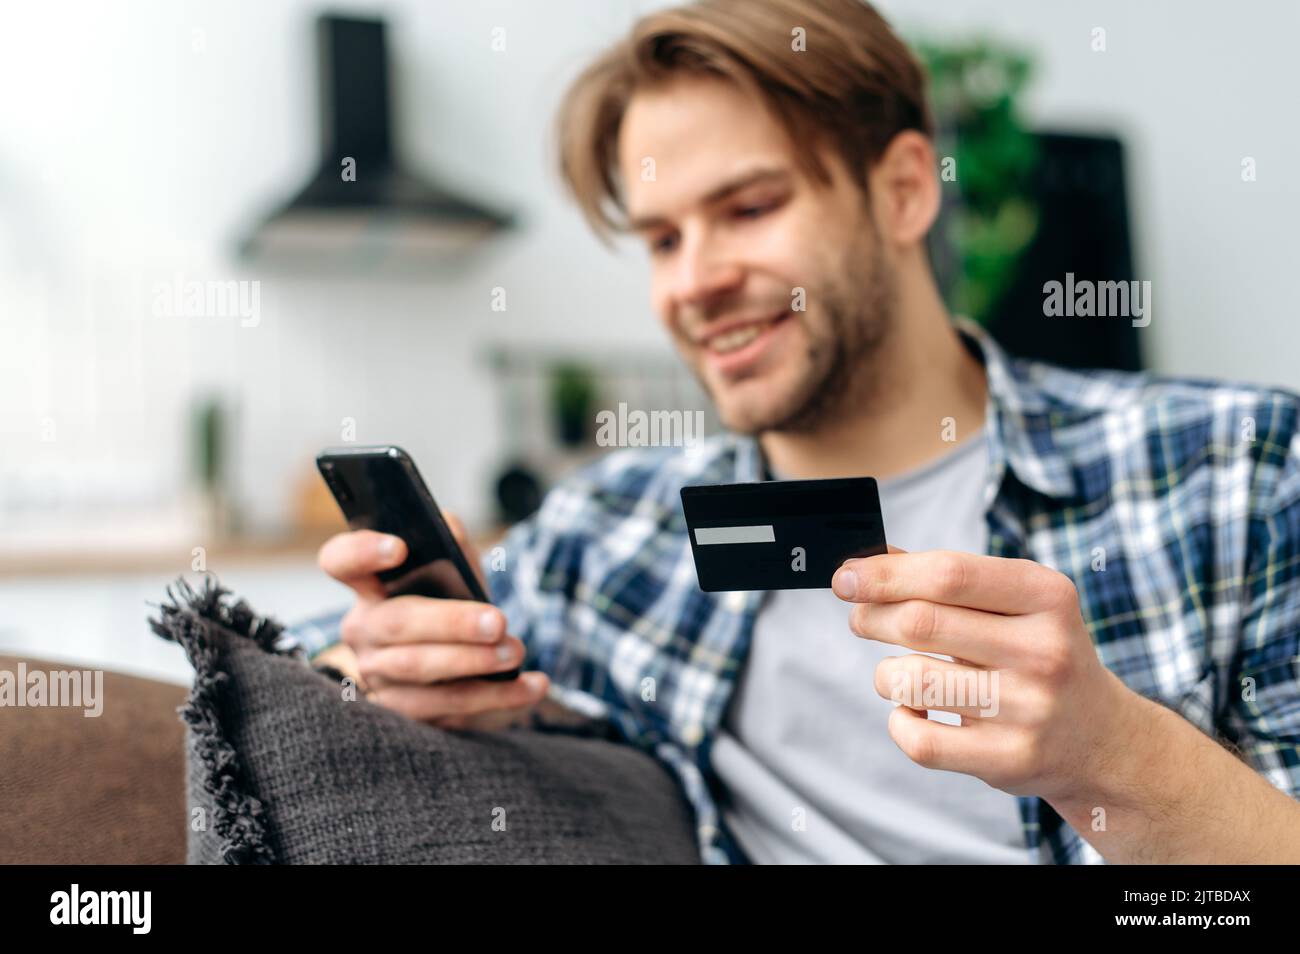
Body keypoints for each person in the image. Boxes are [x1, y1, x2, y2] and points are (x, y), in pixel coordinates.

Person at [294, 0, 1300, 864]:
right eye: (661, 238)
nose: (693, 281)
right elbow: (310, 674)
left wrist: (1118, 757)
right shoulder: (616, 532)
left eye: (749, 207)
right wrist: (381, 664)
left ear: (904, 189)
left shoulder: (1238, 470)